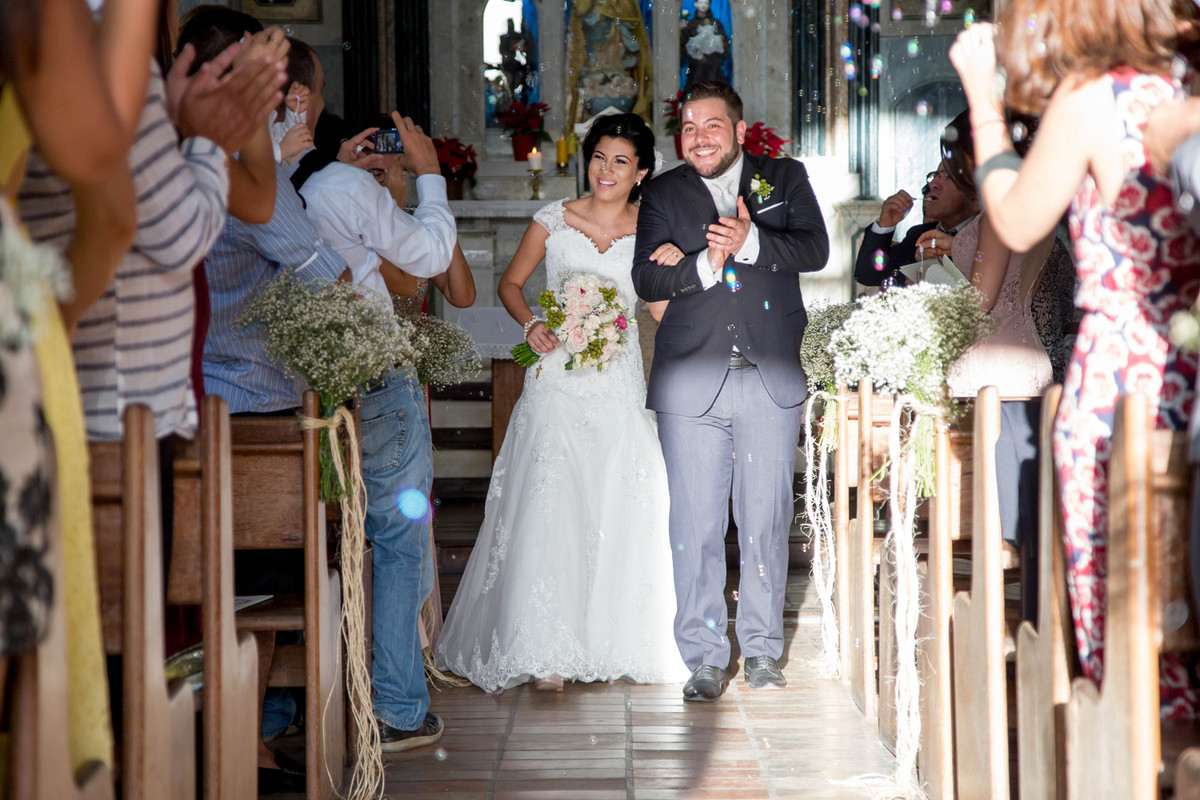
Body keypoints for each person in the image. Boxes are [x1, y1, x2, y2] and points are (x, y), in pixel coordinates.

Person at [950, 0, 1200, 715]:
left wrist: (982, 96)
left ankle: (1129, 754)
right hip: (1188, 370)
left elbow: (1020, 216)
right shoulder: (1184, 90)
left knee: (1124, 606)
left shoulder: (1096, 96)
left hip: (1121, 372)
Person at [436, 113, 689, 693]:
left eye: (621, 161)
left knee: (618, 493)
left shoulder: (652, 229)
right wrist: (531, 326)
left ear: (641, 172)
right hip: (554, 378)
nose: (606, 169)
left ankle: (617, 635)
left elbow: (656, 310)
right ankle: (543, 644)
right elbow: (509, 285)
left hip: (619, 382)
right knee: (553, 498)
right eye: (600, 157)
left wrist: (688, 275)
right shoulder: (553, 219)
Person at [631, 81, 829, 701]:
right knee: (694, 521)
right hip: (692, 378)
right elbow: (645, 273)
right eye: (689, 129)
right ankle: (705, 656)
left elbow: (816, 249)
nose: (699, 138)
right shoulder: (661, 191)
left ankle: (765, 650)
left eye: (712, 126)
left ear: (739, 131)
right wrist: (701, 264)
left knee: (766, 518)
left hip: (769, 371)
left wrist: (754, 243)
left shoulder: (783, 177)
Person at [288, 39, 458, 751]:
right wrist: (429, 177)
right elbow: (431, 258)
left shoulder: (287, 186)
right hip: (374, 375)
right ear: (298, 100)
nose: (322, 104)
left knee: (294, 540)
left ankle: (277, 715)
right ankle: (395, 707)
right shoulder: (346, 186)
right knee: (393, 536)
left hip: (298, 382)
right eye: (316, 91)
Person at [853, 157, 977, 288]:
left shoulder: (984, 237)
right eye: (934, 175)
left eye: (946, 176)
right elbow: (867, 275)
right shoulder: (919, 235)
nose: (932, 184)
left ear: (974, 190)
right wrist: (885, 224)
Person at [681, 0, 730, 89]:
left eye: (706, 3)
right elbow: (685, 43)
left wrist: (720, 39)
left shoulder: (716, 23)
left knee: (714, 89)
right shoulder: (691, 23)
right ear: (695, 4)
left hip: (713, 66)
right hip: (696, 67)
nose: (703, 5)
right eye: (700, 2)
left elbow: (724, 42)